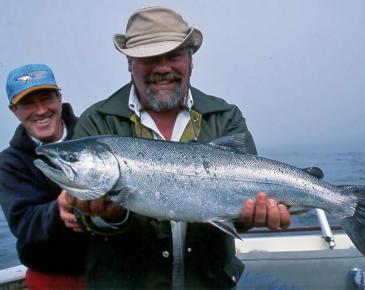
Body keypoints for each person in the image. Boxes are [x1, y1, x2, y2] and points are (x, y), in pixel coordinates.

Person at [64, 6, 291, 289]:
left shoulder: (225, 116)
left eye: (173, 55)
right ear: (129, 62)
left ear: (190, 60)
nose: (162, 67)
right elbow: (79, 217)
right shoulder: (97, 122)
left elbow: (245, 206)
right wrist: (111, 217)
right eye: (148, 57)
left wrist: (250, 218)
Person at [0, 64, 88, 290]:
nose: (40, 110)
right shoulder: (9, 163)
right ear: (14, 110)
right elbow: (24, 223)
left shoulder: (93, 134)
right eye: (28, 103)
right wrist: (58, 210)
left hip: (112, 270)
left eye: (46, 98)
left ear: (59, 98)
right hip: (51, 278)